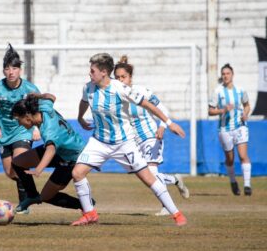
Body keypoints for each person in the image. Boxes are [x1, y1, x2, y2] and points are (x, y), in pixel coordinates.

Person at [71, 53, 187, 226]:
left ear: (103, 72)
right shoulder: (88, 88)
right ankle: (90, 214)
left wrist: (168, 123)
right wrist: (80, 117)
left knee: (149, 178)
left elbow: (147, 104)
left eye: (92, 70)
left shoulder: (120, 88)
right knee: (77, 173)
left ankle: (177, 214)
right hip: (99, 141)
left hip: (123, 143)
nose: (90, 73)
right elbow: (83, 101)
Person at [114, 55, 190, 216]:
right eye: (117, 77)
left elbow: (162, 109)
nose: (121, 80)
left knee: (152, 174)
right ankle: (175, 179)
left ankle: (167, 207)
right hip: (133, 142)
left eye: (123, 77)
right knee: (145, 175)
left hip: (151, 136)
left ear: (130, 77)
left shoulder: (142, 92)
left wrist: (163, 127)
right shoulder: (115, 95)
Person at [0, 44, 41, 213]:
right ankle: (27, 193)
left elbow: (41, 109)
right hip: (3, 133)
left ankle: (25, 204)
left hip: (23, 131)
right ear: (3, 71)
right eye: (7, 68)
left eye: (14, 68)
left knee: (19, 163)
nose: (11, 72)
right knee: (11, 172)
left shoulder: (30, 89)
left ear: (20, 70)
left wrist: (36, 128)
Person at [10, 94, 94, 213]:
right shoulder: (44, 107)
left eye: (19, 120)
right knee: (18, 162)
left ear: (27, 116)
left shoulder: (48, 129)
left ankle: (85, 205)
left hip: (72, 158)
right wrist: (37, 96)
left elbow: (51, 149)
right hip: (61, 149)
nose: (19, 124)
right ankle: (32, 195)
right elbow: (51, 97)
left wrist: (38, 169)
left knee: (46, 197)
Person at [208, 63, 252, 196]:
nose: (225, 76)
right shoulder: (217, 91)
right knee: (230, 159)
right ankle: (233, 181)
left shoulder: (240, 90)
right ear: (221, 76)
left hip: (240, 126)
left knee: (243, 156)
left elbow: (247, 105)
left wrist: (245, 114)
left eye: (227, 73)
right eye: (223, 74)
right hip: (225, 129)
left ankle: (247, 185)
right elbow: (210, 111)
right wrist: (223, 110)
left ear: (232, 75)